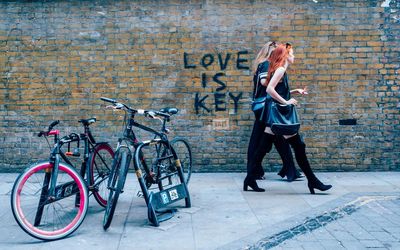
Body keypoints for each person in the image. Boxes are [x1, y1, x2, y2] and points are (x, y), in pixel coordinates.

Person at [263, 43, 332, 194]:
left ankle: (249, 179)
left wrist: (295, 91)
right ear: (286, 55)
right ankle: (313, 181)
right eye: (292, 54)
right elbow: (269, 89)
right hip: (280, 114)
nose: (294, 56)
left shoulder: (282, 70)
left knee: (262, 147)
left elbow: (280, 90)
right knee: (299, 146)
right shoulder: (281, 69)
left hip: (275, 114)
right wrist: (286, 102)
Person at [244, 42, 301, 193]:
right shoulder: (265, 64)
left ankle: (258, 172)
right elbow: (265, 84)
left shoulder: (266, 65)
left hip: (265, 106)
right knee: (271, 140)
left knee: (266, 140)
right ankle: (286, 171)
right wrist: (279, 74)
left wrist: (290, 88)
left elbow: (273, 86)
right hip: (266, 107)